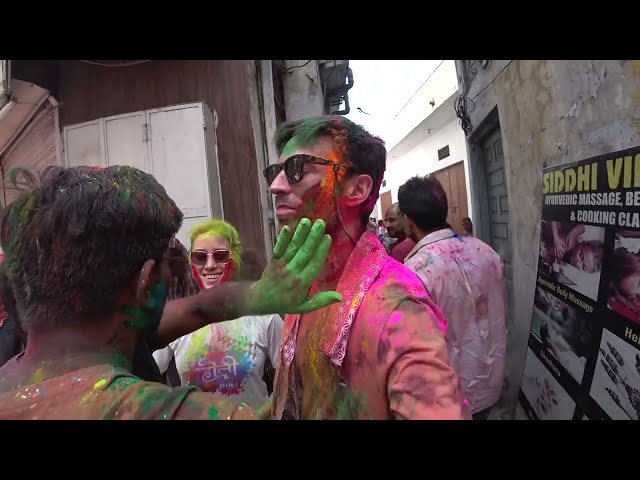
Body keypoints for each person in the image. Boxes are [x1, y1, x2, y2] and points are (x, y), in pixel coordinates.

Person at [0, 165, 339, 420]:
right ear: (146, 284)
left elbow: (197, 310)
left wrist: (259, 295)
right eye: (172, 262)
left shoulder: (18, 373)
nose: (205, 267)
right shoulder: (165, 412)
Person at [264, 115, 467, 420]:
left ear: (357, 189)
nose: (276, 187)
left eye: (298, 170)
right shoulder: (304, 282)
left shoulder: (399, 310)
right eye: (275, 171)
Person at [399, 175, 507, 420]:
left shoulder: (415, 271)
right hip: (491, 382)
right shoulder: (485, 251)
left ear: (409, 221)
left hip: (451, 398)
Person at [153, 219, 283, 409]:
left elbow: (290, 376)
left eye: (220, 256)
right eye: (200, 257)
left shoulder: (263, 317)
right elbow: (146, 371)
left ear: (235, 259)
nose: (210, 265)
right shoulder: (179, 316)